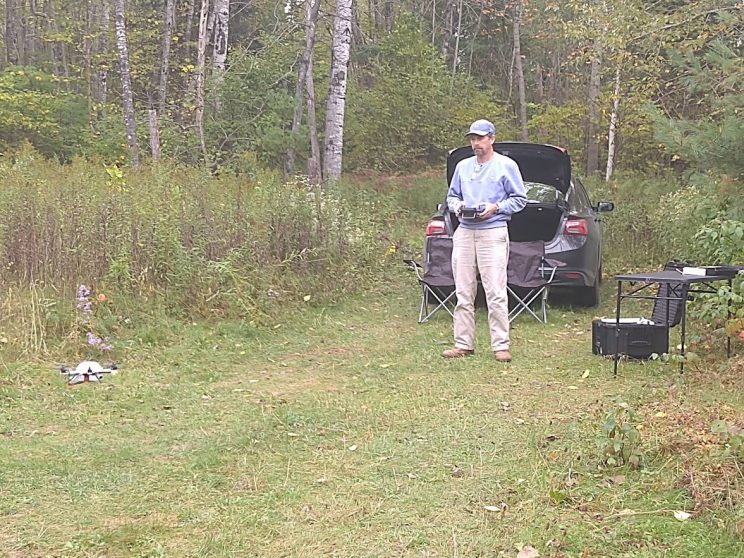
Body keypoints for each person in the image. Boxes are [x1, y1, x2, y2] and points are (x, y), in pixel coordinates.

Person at [442, 119, 527, 362]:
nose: (476, 143)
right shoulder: (462, 167)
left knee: (495, 291)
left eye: (480, 138)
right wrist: (457, 206)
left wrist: (496, 207)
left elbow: (520, 199)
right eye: (472, 138)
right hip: (465, 232)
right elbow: (452, 196)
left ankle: (500, 346)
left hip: (493, 231)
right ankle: (463, 344)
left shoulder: (506, 166)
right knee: (463, 290)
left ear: (491, 138)